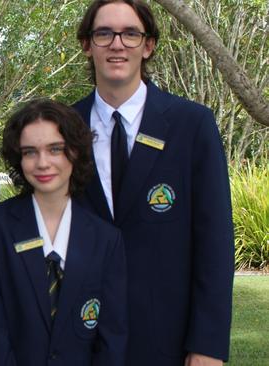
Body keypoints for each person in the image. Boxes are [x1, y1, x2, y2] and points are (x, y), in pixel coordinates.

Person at [72, 1, 235, 365]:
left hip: (167, 340)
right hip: (77, 340)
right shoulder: (63, 128)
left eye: (130, 33)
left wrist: (207, 345)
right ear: (87, 44)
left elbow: (215, 243)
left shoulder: (191, 125)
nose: (117, 44)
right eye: (104, 33)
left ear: (148, 46)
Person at [0, 98, 127, 365]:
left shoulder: (106, 240)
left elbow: (111, 338)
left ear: (75, 152)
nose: (42, 163)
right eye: (29, 152)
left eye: (55, 149)